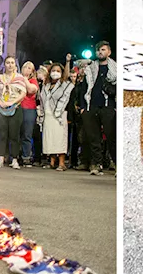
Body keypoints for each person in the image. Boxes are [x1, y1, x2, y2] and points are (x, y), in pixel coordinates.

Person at [81, 40, 117, 176]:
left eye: (103, 49)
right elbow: (84, 88)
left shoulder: (116, 69)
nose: (100, 52)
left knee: (111, 136)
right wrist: (83, 107)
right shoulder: (90, 69)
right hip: (92, 106)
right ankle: (97, 164)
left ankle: (117, 163)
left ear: (109, 52)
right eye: (98, 50)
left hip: (109, 106)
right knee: (93, 137)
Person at [0, 55, 27, 169]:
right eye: (8, 62)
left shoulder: (19, 78)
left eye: (12, 62)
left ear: (15, 65)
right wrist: (0, 102)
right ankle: (1, 158)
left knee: (14, 135)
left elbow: (23, 93)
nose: (10, 65)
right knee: (2, 134)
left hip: (15, 108)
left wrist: (12, 103)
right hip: (1, 108)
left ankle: (15, 159)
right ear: (5, 64)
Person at [40, 62, 73, 170]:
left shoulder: (65, 85)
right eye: (53, 71)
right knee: (50, 138)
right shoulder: (46, 85)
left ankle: (62, 163)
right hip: (48, 115)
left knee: (60, 138)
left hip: (59, 114)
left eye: (58, 71)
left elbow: (65, 99)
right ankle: (52, 161)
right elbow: (42, 100)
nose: (55, 73)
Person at [19, 60, 40, 166]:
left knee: (27, 133)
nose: (26, 69)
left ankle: (26, 156)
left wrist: (25, 79)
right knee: (17, 132)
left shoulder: (33, 81)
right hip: (17, 108)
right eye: (25, 67)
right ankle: (15, 155)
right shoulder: (17, 78)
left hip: (29, 109)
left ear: (32, 71)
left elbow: (31, 90)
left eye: (29, 68)